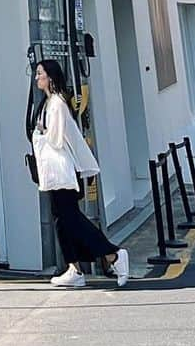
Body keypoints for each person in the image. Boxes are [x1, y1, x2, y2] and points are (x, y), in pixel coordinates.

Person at [31, 60, 129, 289]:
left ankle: (113, 254)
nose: (36, 78)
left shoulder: (57, 104)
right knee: (62, 221)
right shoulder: (49, 103)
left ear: (51, 77)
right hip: (54, 173)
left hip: (61, 171)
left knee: (71, 220)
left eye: (40, 74)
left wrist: (40, 134)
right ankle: (74, 268)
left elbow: (55, 139)